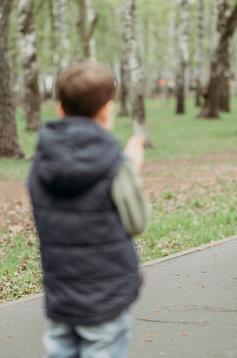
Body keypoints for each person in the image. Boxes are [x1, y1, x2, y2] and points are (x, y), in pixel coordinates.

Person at [28, 61, 151, 358]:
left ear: (59, 108)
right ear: (108, 109)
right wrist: (131, 168)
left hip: (61, 296)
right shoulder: (115, 163)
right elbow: (138, 221)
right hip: (106, 298)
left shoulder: (41, 162)